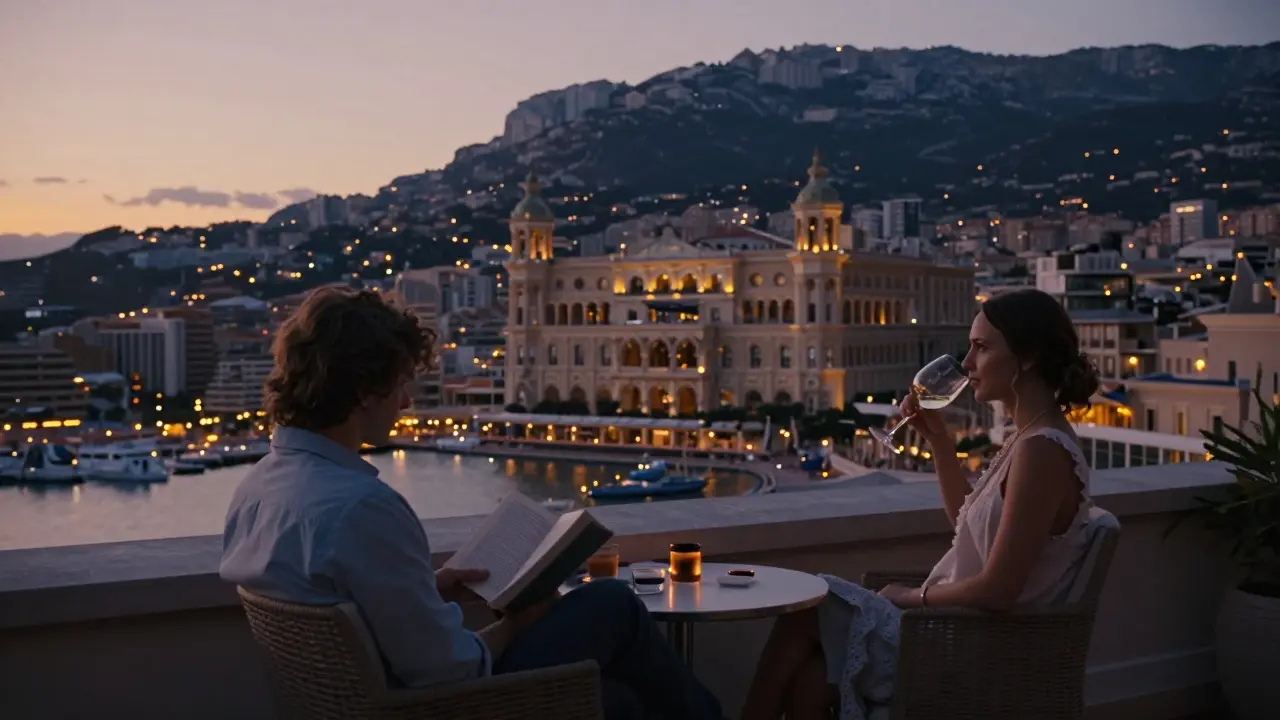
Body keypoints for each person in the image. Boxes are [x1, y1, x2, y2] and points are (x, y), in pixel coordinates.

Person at [220, 286, 722, 720]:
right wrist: (516, 624)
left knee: (620, 702)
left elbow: (339, 595)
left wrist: (430, 590)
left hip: (360, 702)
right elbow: (449, 669)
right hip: (438, 709)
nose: (408, 404)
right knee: (611, 602)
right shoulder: (361, 507)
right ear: (363, 390)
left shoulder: (259, 488)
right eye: (401, 385)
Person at [742, 288, 1102, 720]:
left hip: (967, 643)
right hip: (958, 631)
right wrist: (939, 443)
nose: (967, 364)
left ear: (1028, 357)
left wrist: (911, 596)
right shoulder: (1027, 440)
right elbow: (968, 527)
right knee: (811, 681)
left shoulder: (1041, 450)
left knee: (807, 606)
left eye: (981, 348)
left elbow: (999, 588)